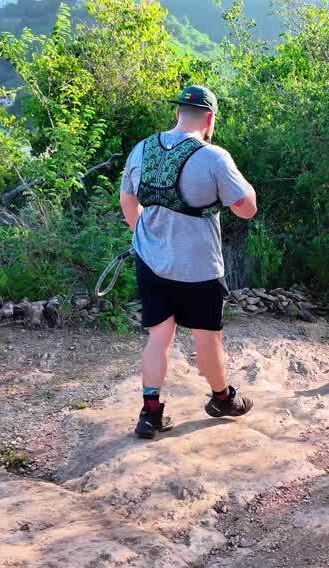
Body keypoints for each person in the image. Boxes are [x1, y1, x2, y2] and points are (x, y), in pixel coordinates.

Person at [118, 85, 258, 439]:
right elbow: (246, 209)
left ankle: (150, 414)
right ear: (209, 119)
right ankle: (221, 399)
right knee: (207, 340)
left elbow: (127, 201)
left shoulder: (142, 149)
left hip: (151, 263)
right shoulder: (214, 157)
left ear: (178, 113)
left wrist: (146, 238)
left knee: (158, 338)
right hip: (199, 268)